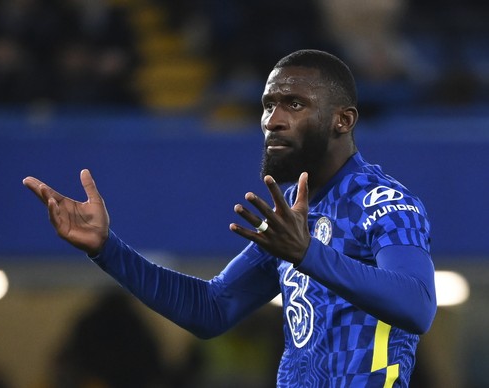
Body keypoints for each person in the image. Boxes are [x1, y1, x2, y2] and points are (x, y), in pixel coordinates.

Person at [23, 49, 436, 387]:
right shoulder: (292, 212)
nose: (273, 120)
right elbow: (211, 309)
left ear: (342, 120)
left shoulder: (382, 201)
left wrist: (308, 253)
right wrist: (107, 249)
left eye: (294, 104)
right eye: (268, 105)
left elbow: (417, 305)